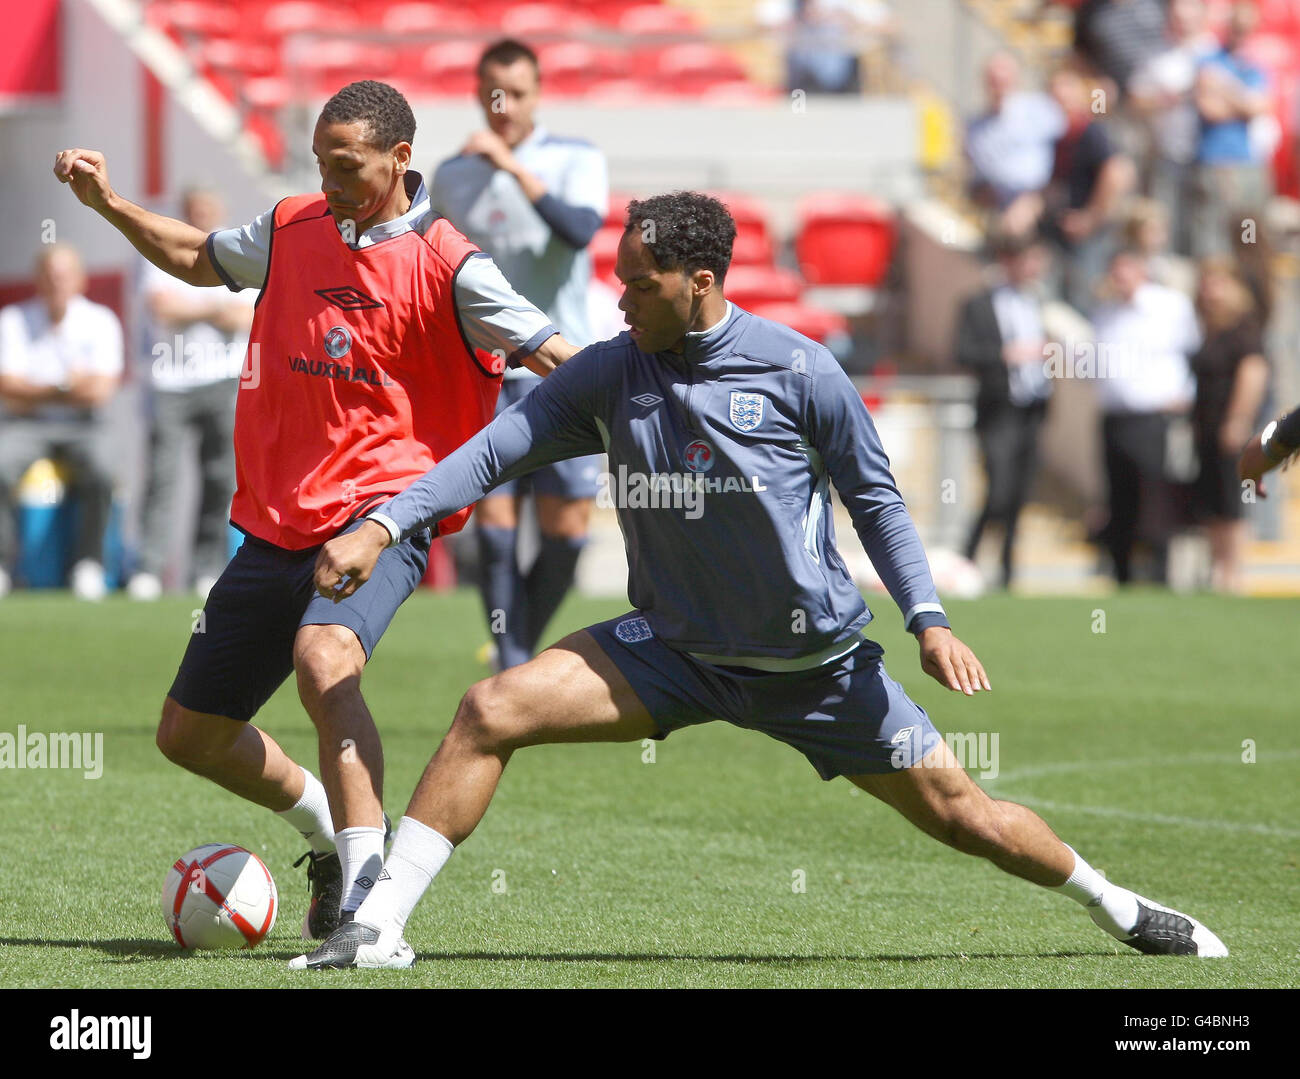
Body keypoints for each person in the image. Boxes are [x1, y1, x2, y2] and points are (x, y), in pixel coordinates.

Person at [293, 192, 1227, 969]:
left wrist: (929, 617)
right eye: (618, 279)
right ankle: (377, 930)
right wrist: (385, 521)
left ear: (700, 281)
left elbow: (880, 503)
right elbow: (491, 452)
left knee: (966, 817)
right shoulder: (612, 373)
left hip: (813, 667)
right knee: (489, 709)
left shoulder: (799, 369)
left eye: (640, 283)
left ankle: (1117, 905)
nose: (621, 299)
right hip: (669, 649)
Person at [53, 80, 576, 939]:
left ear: (400, 160)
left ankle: (372, 898)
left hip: (383, 516)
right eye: (320, 163)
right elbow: (195, 257)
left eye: (347, 165)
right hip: (277, 519)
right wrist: (107, 202)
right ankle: (331, 840)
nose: (328, 180)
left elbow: (557, 353)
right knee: (191, 733)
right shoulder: (293, 228)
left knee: (325, 657)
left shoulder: (452, 264)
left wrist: (653, 405)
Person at [431, 39, 607, 670]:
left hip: (564, 366)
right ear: (479, 95)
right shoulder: (451, 176)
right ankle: (511, 660)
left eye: (518, 92)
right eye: (493, 93)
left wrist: (510, 165)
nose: (504, 106)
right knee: (496, 527)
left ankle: (520, 642)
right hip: (489, 369)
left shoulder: (573, 158)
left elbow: (580, 231)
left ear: (539, 94)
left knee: (566, 533)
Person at [129, 187, 253, 601]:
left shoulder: (237, 248)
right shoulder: (163, 248)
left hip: (222, 379)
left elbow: (245, 314)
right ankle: (148, 568)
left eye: (207, 209)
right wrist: (215, 307)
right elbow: (163, 309)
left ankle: (206, 567)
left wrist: (197, 305)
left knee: (219, 477)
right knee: (162, 476)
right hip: (171, 381)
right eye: (194, 210)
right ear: (184, 212)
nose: (201, 216)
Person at [0, 245, 123, 601]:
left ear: (79, 279)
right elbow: (7, 389)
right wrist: (67, 384)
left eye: (64, 275)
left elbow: (99, 392)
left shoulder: (100, 321)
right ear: (38, 280)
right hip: (27, 424)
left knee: (102, 469)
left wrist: (36, 387)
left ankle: (89, 564)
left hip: (86, 425)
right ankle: (4, 564)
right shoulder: (12, 320)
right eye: (49, 275)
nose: (56, 283)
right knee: (1, 464)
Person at [1090, 248, 1199, 585]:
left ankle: (1160, 573)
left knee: (1156, 496)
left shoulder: (1169, 307)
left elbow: (1193, 353)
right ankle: (1122, 573)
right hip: (1115, 418)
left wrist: (1185, 394)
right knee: (1119, 497)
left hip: (1155, 418)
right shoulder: (1105, 313)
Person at [955, 232, 1053, 589]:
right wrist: (1005, 355)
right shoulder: (978, 304)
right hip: (999, 412)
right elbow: (963, 352)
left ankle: (1008, 573)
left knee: (1018, 495)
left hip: (1031, 409)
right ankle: (966, 560)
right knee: (998, 491)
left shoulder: (1036, 302)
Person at [1189, 257, 1269, 592]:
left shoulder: (1243, 331)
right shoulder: (1209, 331)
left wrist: (1237, 420)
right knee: (1211, 500)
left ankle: (1234, 572)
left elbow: (1253, 374)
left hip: (1229, 428)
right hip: (1205, 427)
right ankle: (1218, 568)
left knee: (1231, 499)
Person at [964, 52, 1065, 219]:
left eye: (1003, 81)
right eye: (994, 81)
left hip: (1040, 199)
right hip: (998, 205)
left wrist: (1034, 199)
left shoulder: (1040, 109)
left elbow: (1068, 150)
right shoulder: (975, 127)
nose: (999, 87)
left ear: (1016, 80)